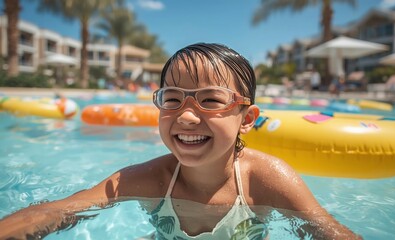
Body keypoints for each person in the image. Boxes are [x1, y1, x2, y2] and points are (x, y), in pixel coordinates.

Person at [0, 43, 362, 239]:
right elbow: (62, 209)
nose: (186, 116)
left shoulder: (265, 180)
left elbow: (327, 231)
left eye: (210, 100)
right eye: (172, 99)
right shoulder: (150, 178)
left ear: (246, 119)